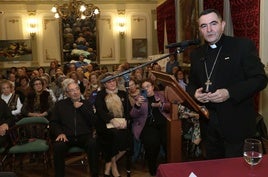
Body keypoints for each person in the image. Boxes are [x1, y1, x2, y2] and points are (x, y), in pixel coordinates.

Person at [186, 9, 268, 159]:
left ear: (222, 25)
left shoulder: (242, 46)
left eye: (213, 24)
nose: (209, 29)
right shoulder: (196, 54)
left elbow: (260, 79)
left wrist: (229, 92)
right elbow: (191, 84)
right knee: (214, 169)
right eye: (204, 26)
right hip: (209, 126)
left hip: (237, 125)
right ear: (200, 30)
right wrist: (195, 94)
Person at [49, 78, 99, 177]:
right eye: (71, 90)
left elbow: (93, 121)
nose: (75, 92)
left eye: (77, 89)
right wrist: (60, 133)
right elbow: (53, 122)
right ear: (67, 93)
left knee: (93, 144)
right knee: (58, 146)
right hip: (66, 136)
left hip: (84, 136)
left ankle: (95, 174)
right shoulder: (60, 105)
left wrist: (82, 108)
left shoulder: (87, 104)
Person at [130, 79, 170, 176]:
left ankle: (170, 168)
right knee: (152, 143)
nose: (146, 89)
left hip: (163, 124)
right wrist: (137, 105)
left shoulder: (160, 95)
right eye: (143, 88)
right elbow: (132, 115)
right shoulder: (139, 98)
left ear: (152, 87)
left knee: (169, 142)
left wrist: (161, 105)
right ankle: (153, 170)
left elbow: (169, 106)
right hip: (147, 126)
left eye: (148, 86)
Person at [95, 72, 132, 177]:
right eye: (108, 81)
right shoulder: (100, 95)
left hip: (121, 123)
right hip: (105, 124)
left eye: (113, 80)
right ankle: (114, 167)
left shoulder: (123, 93)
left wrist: (126, 121)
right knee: (113, 136)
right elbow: (100, 111)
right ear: (104, 84)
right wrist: (112, 120)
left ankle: (108, 165)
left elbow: (128, 111)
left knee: (128, 139)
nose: (112, 83)